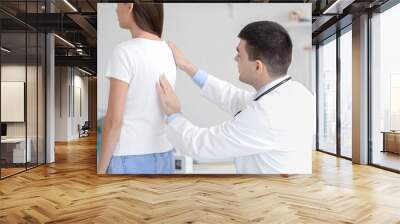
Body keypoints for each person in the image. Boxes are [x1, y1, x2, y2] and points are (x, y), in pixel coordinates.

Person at [156, 21, 314, 174]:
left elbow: (199, 145)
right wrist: (188, 67)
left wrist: (174, 114)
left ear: (257, 66)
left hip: (268, 196)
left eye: (239, 54)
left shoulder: (266, 114)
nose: (235, 59)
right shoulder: (297, 93)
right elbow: (232, 97)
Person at [98, 3, 176, 174]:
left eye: (118, 4)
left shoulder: (124, 52)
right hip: (164, 154)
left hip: (130, 156)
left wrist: (100, 171)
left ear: (130, 6)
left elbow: (113, 121)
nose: (116, 9)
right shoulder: (168, 51)